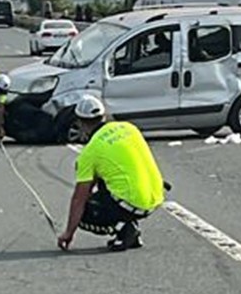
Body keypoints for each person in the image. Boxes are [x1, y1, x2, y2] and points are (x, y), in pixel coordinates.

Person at [57, 95, 166, 252]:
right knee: (107, 176)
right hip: (156, 196)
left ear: (80, 122)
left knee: (84, 212)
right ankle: (128, 224)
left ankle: (124, 229)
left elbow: (79, 199)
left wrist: (68, 233)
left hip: (134, 203)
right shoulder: (129, 128)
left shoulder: (90, 152)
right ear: (104, 115)